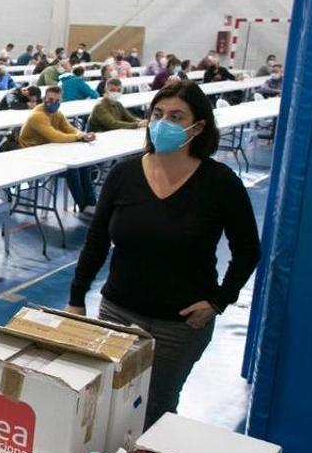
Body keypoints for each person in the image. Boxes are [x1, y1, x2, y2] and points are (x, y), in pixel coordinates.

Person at [66, 81, 260, 428]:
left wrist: (218, 301)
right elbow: (96, 241)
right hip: (118, 313)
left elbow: (248, 250)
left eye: (176, 116)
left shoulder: (219, 183)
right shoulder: (124, 174)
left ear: (198, 126)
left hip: (179, 325)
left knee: (155, 409)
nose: (163, 123)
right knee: (106, 404)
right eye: (157, 114)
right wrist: (76, 298)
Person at [18, 86, 98, 212]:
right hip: (32, 155)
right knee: (72, 169)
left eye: (57, 101)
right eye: (50, 99)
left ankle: (91, 204)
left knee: (83, 164)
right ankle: (84, 206)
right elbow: (56, 136)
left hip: (48, 151)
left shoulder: (57, 114)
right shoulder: (37, 116)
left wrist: (82, 135)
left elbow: (70, 129)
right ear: (44, 99)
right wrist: (78, 137)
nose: (53, 103)